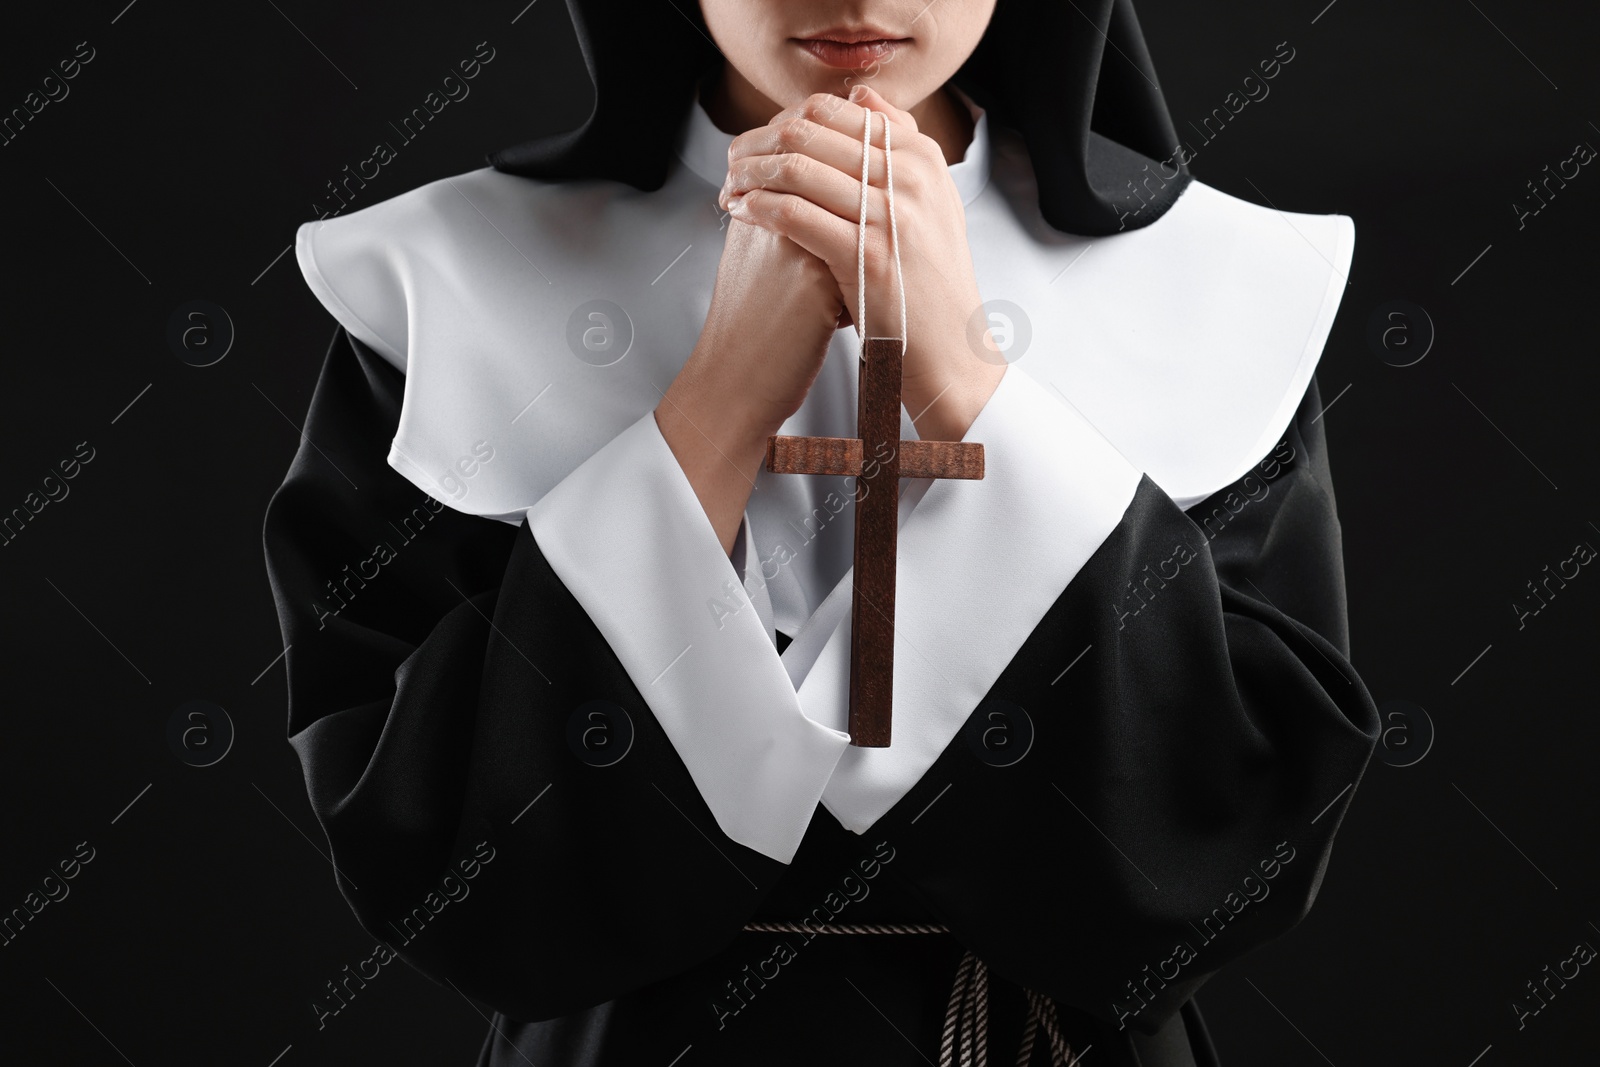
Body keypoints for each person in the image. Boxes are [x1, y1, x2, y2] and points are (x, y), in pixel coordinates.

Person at [263, 1, 1380, 1063]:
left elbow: (1231, 843)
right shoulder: (440, 284)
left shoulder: (1212, 285)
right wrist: (716, 402)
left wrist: (964, 374)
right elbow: (427, 852)